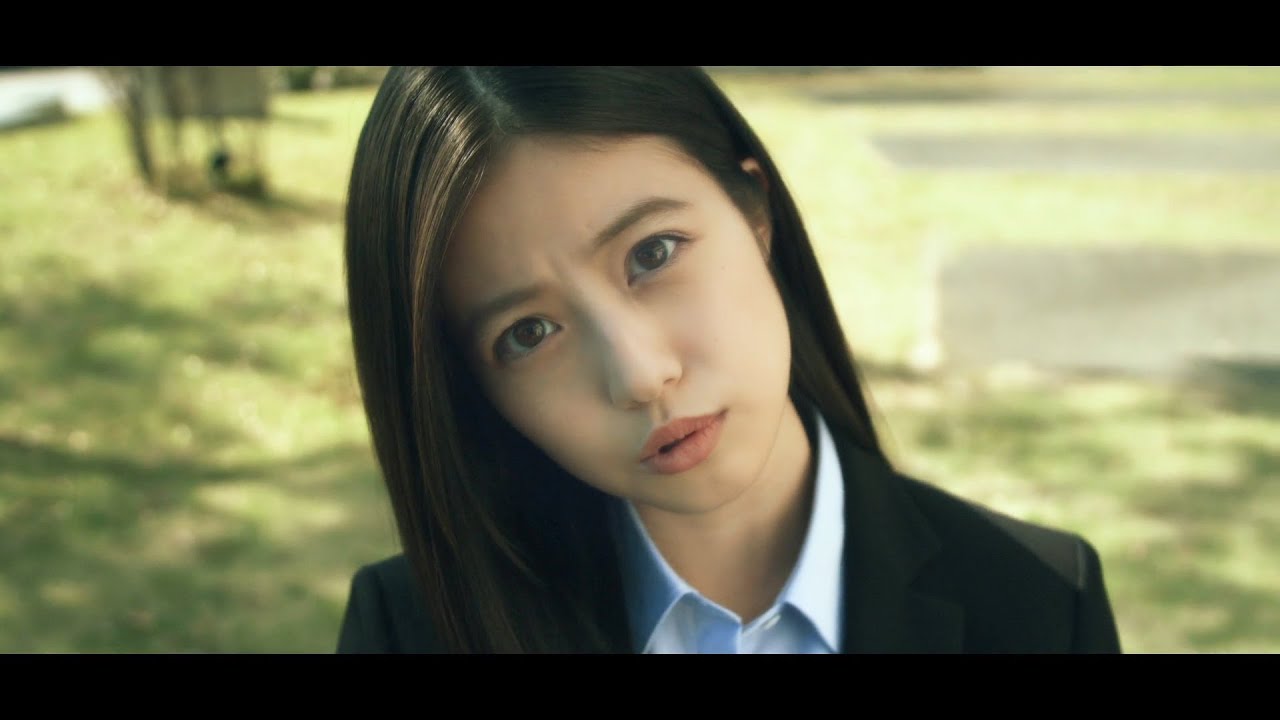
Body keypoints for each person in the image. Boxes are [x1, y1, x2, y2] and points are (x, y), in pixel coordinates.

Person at [336, 66, 1122, 653]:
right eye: (529, 332)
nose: (640, 374)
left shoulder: (1039, 604)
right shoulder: (409, 632)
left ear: (754, 213)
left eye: (653, 253)